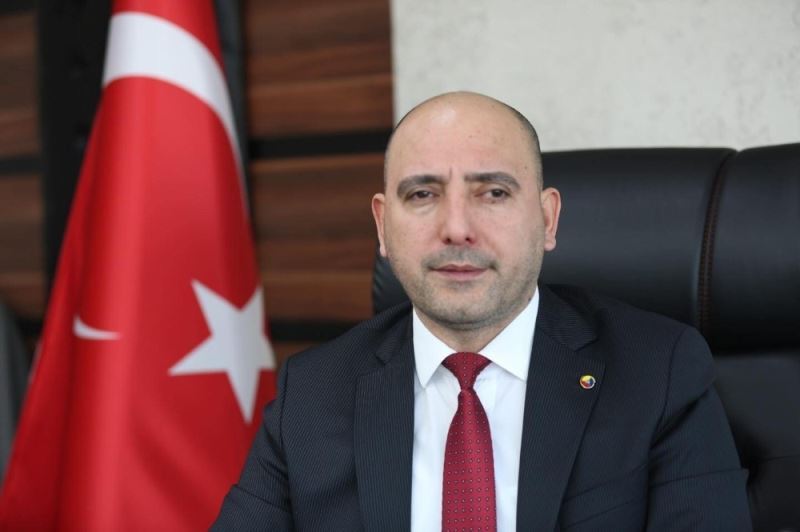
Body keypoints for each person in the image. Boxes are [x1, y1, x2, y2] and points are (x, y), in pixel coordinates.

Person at [212, 92, 751, 531]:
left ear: (547, 220)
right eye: (422, 195)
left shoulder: (658, 372)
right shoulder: (312, 394)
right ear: (382, 226)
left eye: (493, 192)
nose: (456, 228)